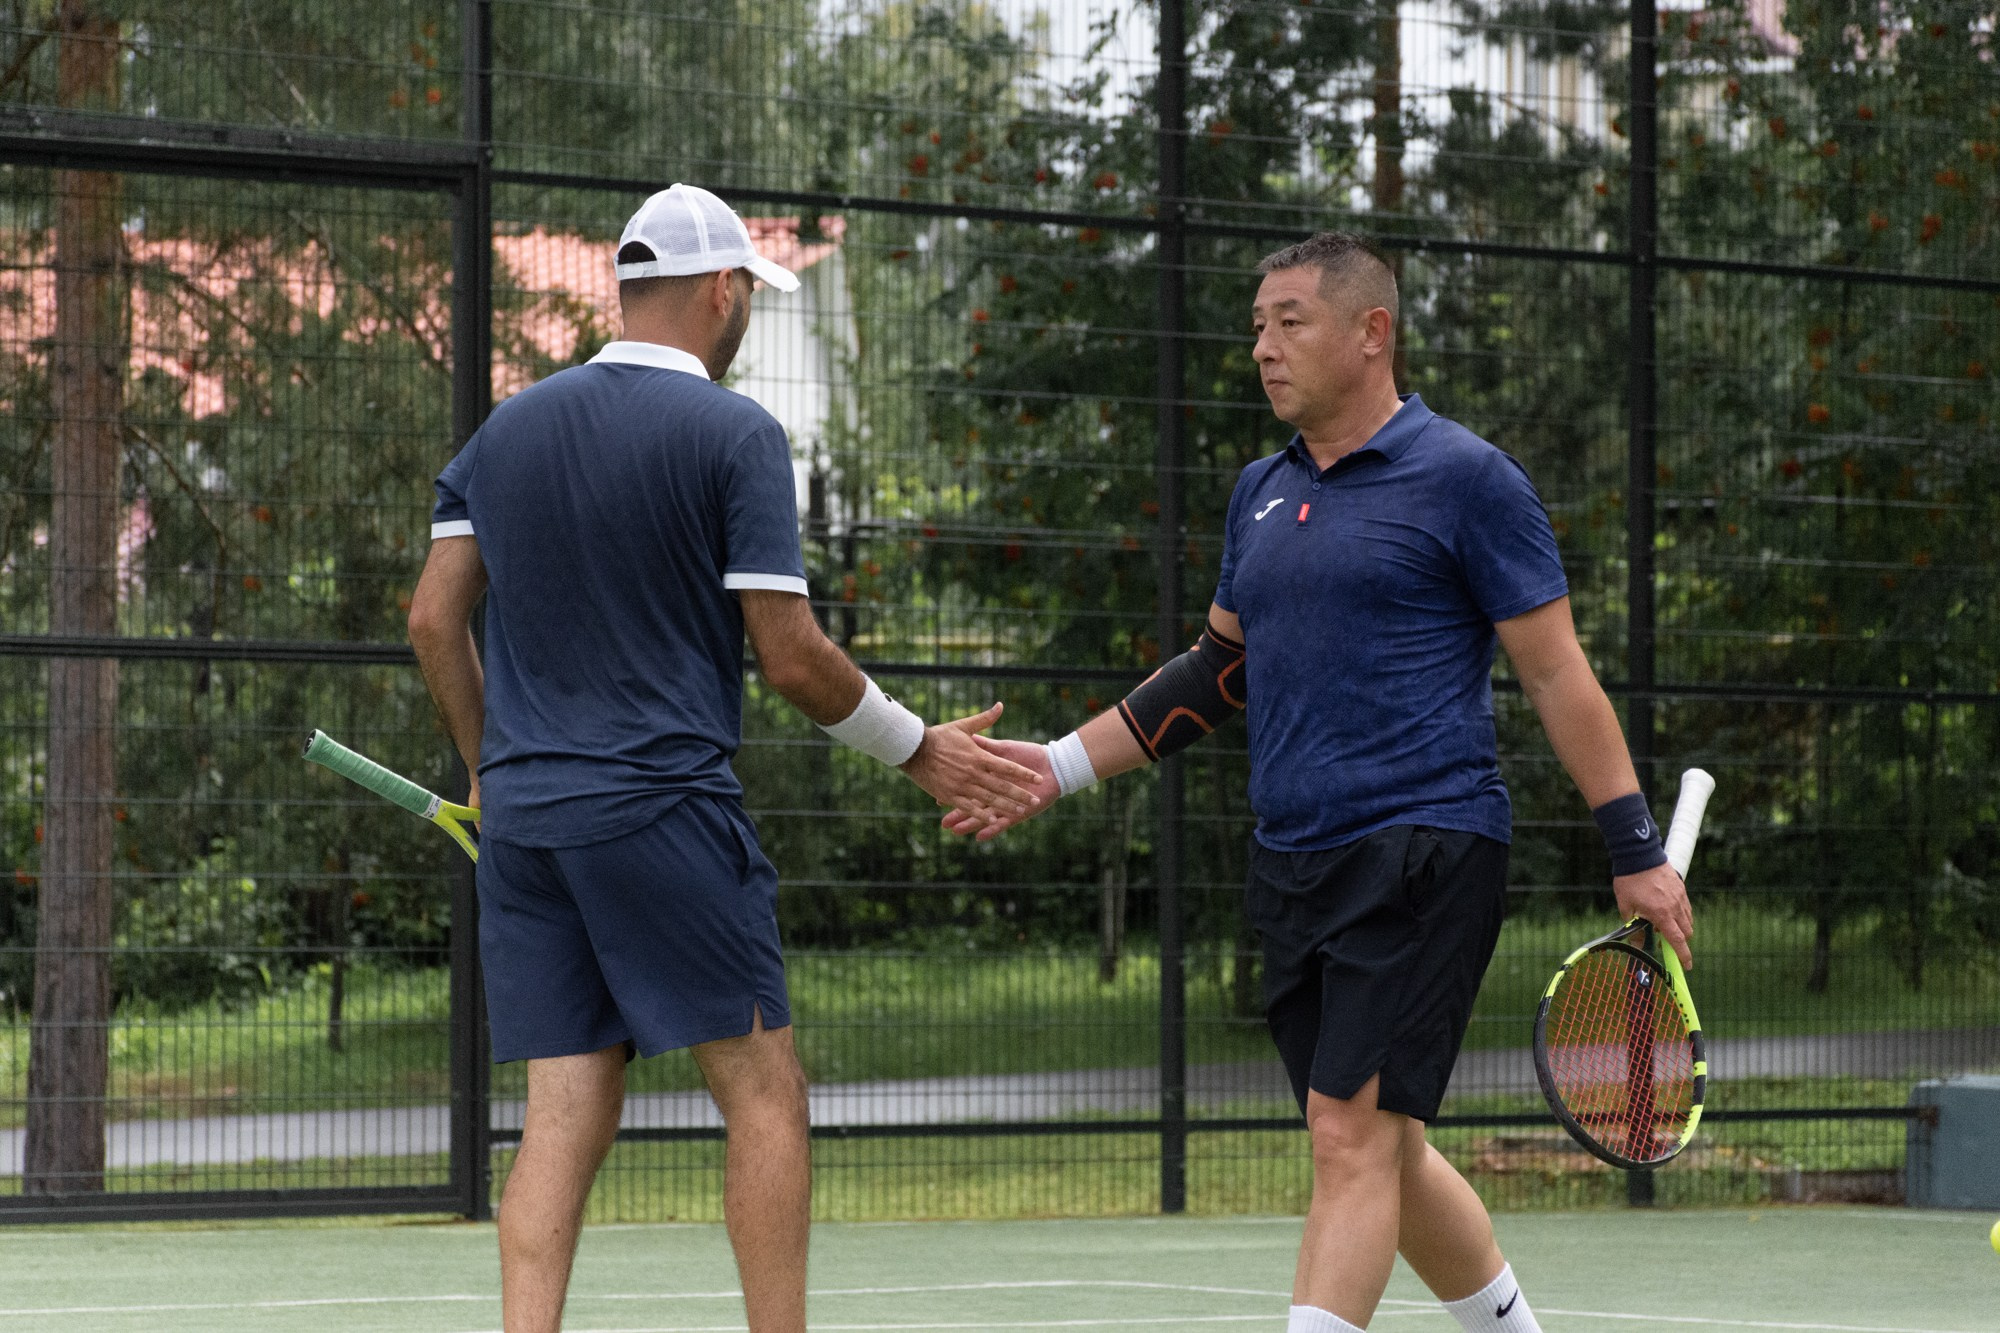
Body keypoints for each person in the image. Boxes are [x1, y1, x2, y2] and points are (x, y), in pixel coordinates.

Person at [948, 232, 1694, 1333]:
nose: (1262, 347)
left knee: (1349, 1139)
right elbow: (1219, 669)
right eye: (1257, 326)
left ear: (1370, 333)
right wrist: (1054, 766)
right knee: (1379, 1144)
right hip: (1294, 862)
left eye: (1288, 322)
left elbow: (1554, 672)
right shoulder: (1259, 492)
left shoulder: (1469, 479)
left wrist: (1633, 849)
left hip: (1425, 847)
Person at [408, 182, 1042, 1333]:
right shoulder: (734, 432)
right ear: (721, 292)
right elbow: (789, 657)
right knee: (763, 1096)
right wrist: (918, 749)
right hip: (662, 811)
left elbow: (430, 618)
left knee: (562, 1114)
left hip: (530, 831)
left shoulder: (505, 430)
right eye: (746, 289)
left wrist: (487, 767)